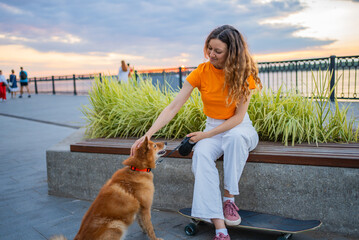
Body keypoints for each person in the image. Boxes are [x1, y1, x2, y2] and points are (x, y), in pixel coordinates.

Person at [131, 25, 262, 240]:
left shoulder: (243, 74)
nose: (211, 54)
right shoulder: (201, 72)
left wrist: (205, 135)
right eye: (209, 48)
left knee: (234, 138)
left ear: (232, 52)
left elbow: (237, 119)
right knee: (201, 154)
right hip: (213, 128)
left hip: (239, 128)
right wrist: (148, 134)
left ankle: (229, 200)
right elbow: (174, 106)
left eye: (217, 51)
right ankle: (220, 228)